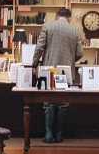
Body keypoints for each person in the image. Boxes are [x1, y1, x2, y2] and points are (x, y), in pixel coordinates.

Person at [33, 8, 82, 143]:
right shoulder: (74, 30)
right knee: (63, 103)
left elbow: (39, 47)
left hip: (50, 69)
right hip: (66, 71)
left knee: (48, 102)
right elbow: (80, 53)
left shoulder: (48, 26)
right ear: (69, 17)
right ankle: (59, 134)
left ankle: (48, 134)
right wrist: (70, 59)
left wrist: (34, 64)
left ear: (56, 16)